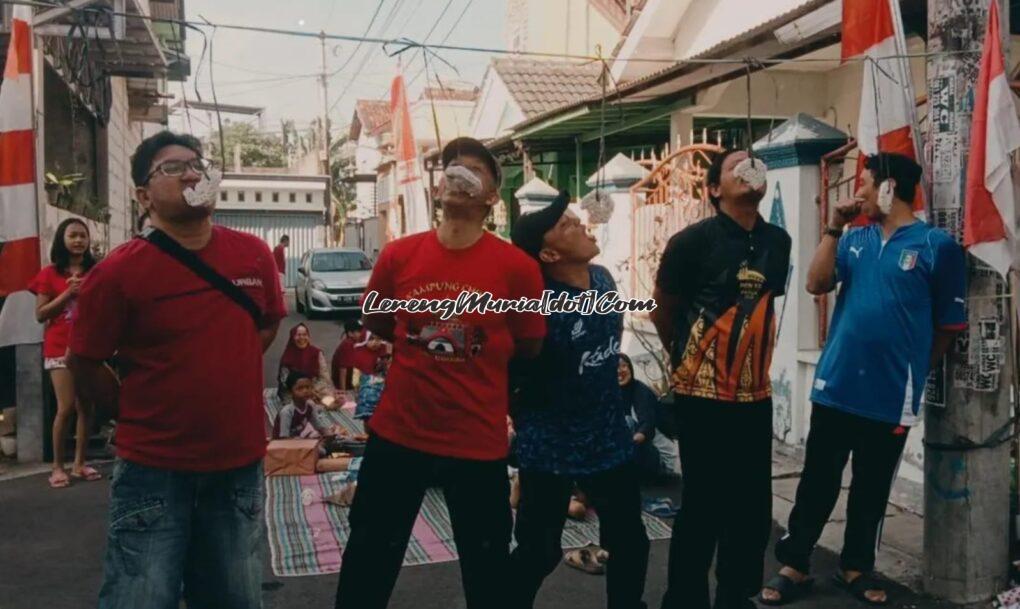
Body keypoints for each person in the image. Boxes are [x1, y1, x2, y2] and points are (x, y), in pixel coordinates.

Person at [69, 130, 286, 609]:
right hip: (153, 470)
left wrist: (218, 362)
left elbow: (267, 324)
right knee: (141, 595)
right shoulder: (118, 272)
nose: (191, 173)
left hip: (238, 466)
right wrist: (130, 409)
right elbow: (83, 359)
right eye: (172, 167)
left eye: (198, 165)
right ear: (143, 195)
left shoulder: (253, 254)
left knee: (235, 596)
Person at [334, 136, 545, 609]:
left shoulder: (516, 268)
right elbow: (378, 321)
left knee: (487, 571)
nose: (459, 172)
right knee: (368, 558)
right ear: (438, 188)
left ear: (492, 196)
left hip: (476, 441)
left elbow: (529, 344)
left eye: (475, 168)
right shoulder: (398, 256)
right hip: (398, 435)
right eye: (451, 166)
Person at [759, 153, 966, 607]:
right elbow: (815, 284)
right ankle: (794, 563)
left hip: (892, 394)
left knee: (871, 487)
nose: (859, 194)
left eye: (867, 185)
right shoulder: (854, 240)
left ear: (890, 188)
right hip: (836, 385)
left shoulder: (936, 247)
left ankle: (856, 567)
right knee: (818, 481)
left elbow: (949, 326)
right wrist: (833, 228)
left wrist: (915, 368)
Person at [652, 149, 791, 609]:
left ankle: (737, 596)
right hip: (701, 396)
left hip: (755, 395)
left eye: (755, 163)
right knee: (704, 506)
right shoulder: (691, 242)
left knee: (752, 511)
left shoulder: (779, 241)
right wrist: (688, 360)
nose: (749, 168)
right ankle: (685, 600)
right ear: (714, 189)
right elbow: (664, 308)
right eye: (736, 166)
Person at [508, 192, 649, 609]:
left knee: (630, 542)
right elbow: (517, 373)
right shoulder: (537, 306)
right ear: (549, 253)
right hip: (550, 446)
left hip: (607, 440)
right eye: (567, 225)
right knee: (539, 551)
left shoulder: (603, 279)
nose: (582, 226)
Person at [28, 218, 100, 488]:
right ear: (62, 239)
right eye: (73, 235)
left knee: (87, 407)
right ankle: (58, 467)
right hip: (59, 348)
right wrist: (68, 293)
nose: (79, 240)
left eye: (83, 235)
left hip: (89, 347)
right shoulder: (48, 273)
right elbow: (40, 314)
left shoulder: (96, 271)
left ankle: (80, 464)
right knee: (66, 407)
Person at [618, 354, 676, 481]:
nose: (619, 371)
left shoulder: (641, 391)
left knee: (626, 422)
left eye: (623, 366)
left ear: (630, 369)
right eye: (615, 368)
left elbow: (647, 427)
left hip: (663, 463)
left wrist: (625, 444)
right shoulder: (614, 394)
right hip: (640, 456)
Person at [278, 322, 334, 400]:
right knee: (295, 405)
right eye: (298, 335)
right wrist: (302, 391)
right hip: (294, 391)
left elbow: (325, 378)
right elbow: (284, 382)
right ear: (292, 337)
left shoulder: (316, 353)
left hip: (314, 389)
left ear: (308, 336)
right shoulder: (287, 356)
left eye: (304, 335)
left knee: (329, 399)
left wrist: (311, 390)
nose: (302, 338)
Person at [331, 318, 381, 390]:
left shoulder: (356, 343)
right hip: (346, 383)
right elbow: (343, 369)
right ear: (350, 333)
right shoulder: (348, 345)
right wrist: (343, 390)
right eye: (359, 331)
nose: (362, 333)